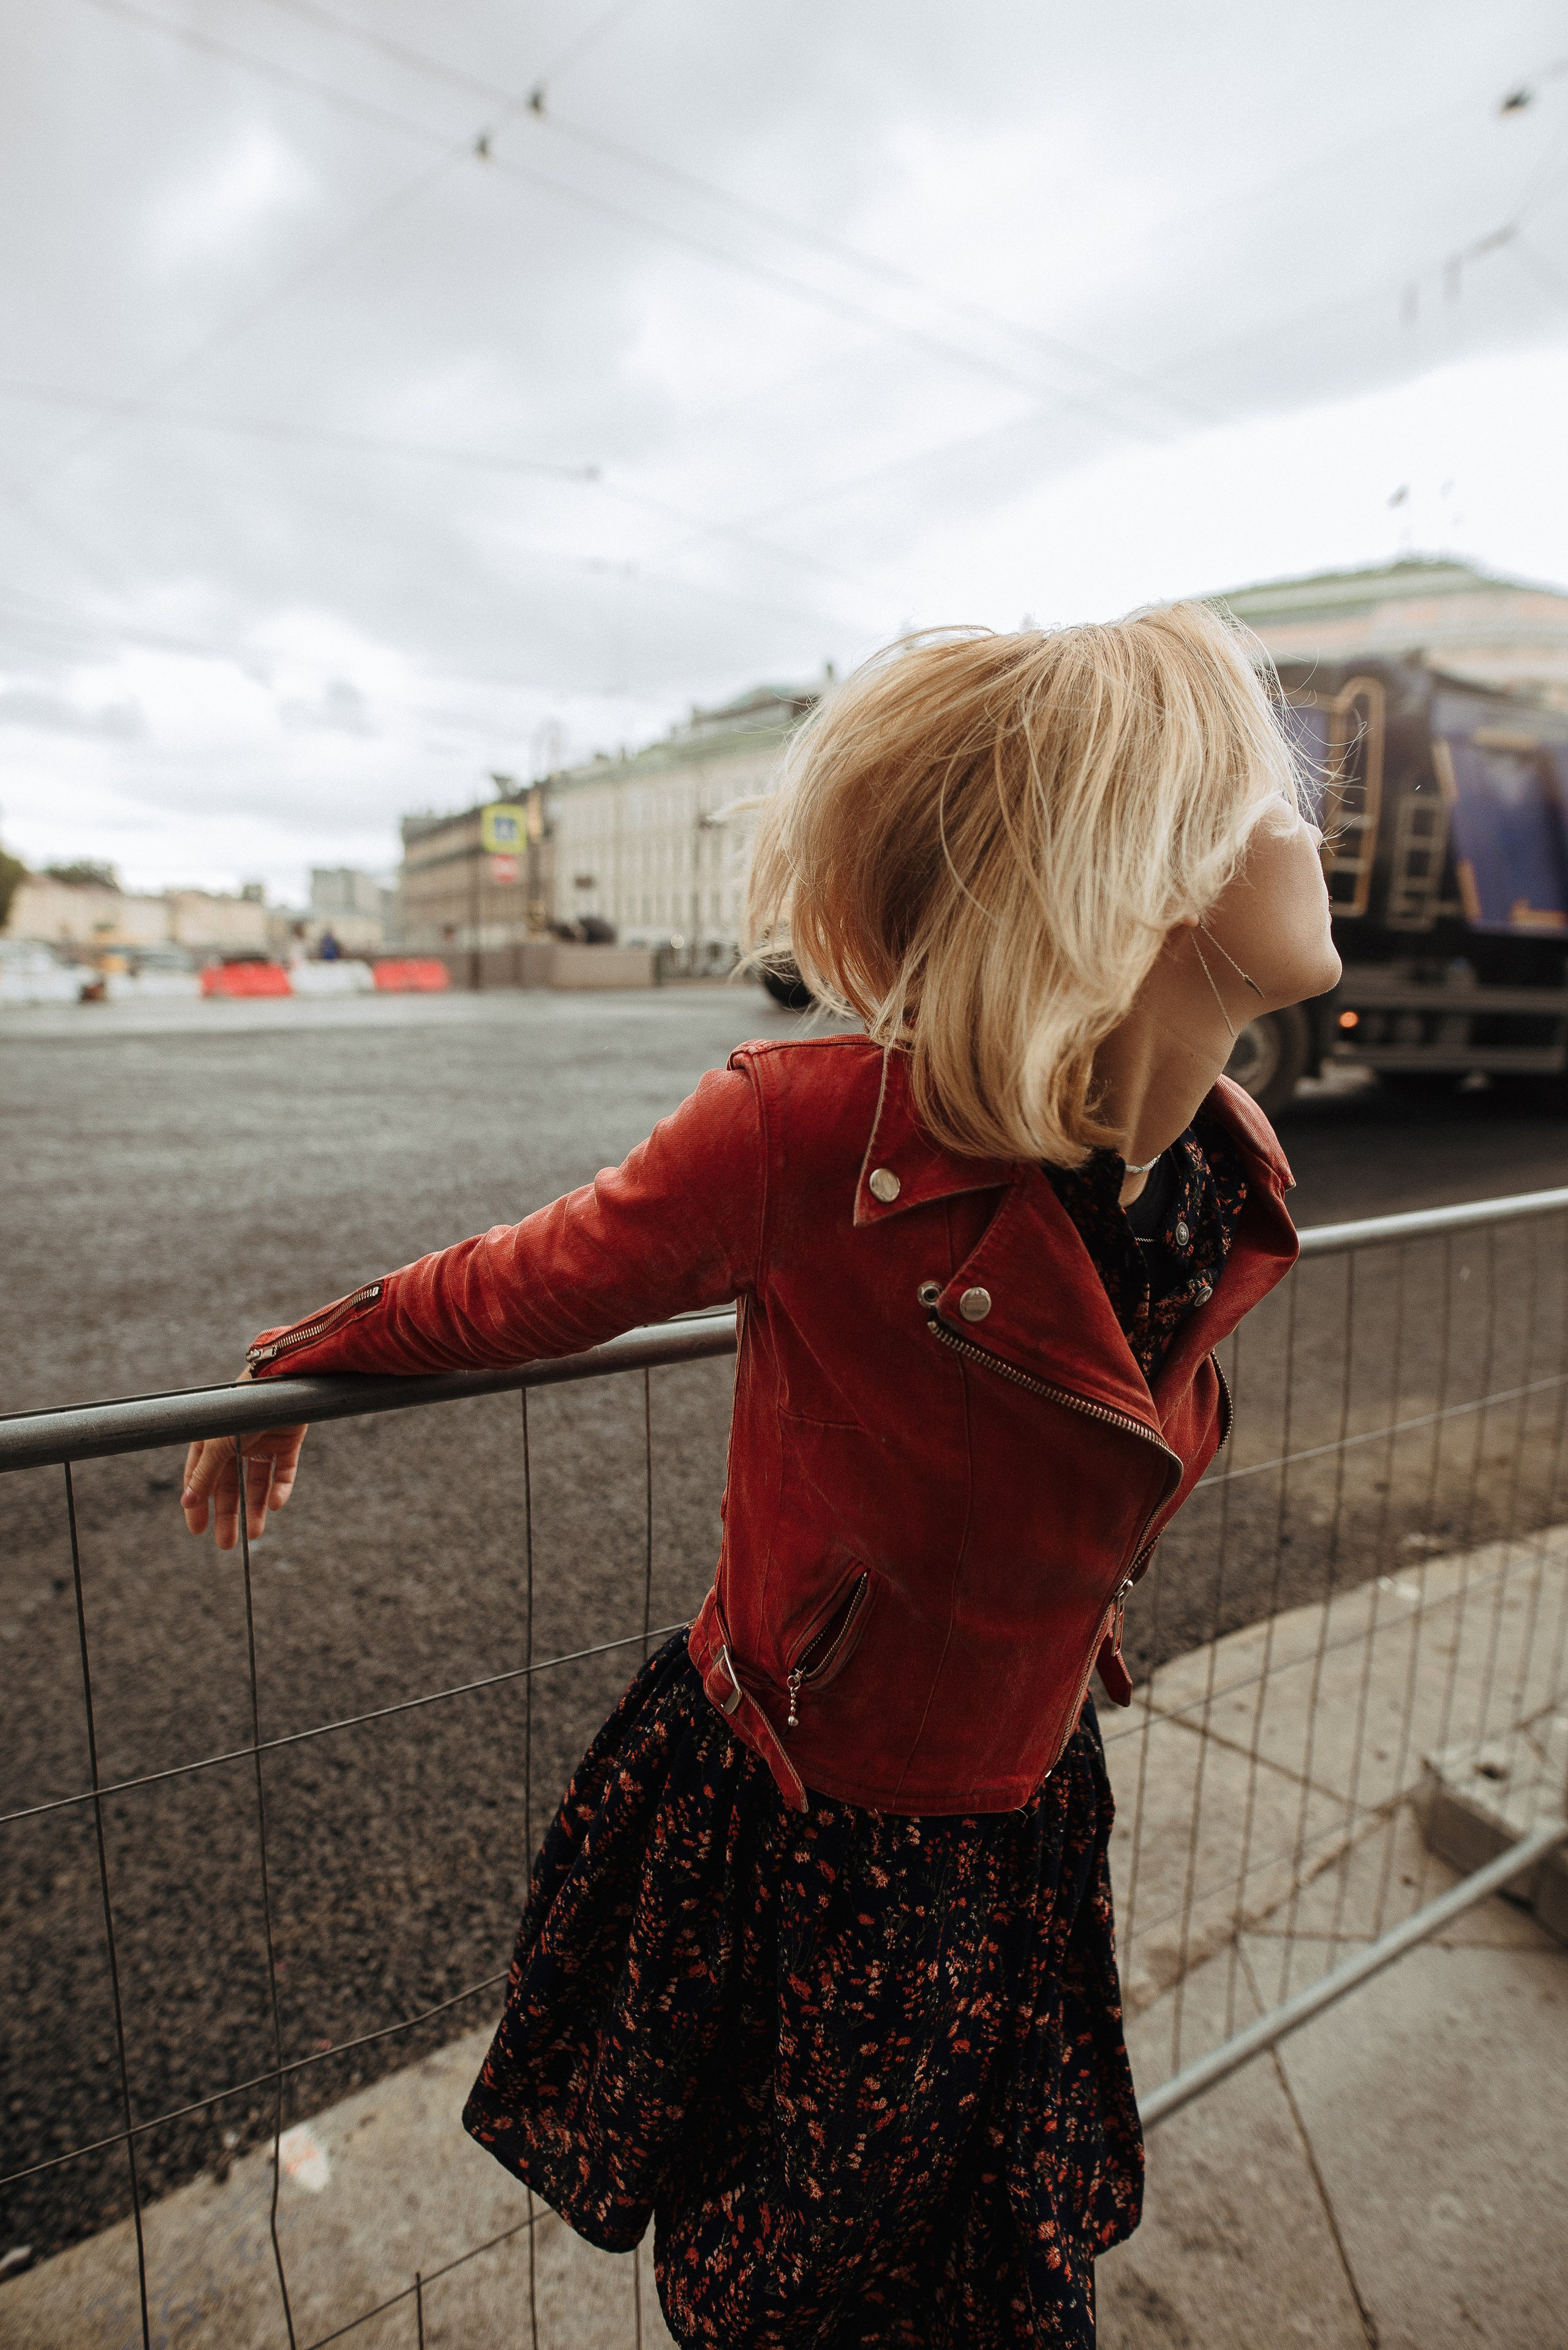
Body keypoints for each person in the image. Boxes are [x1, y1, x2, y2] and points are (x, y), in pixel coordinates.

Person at [179, 605, 1340, 2348]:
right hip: (835, 1844)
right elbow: (534, 1278)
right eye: (1265, 793)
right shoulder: (816, 1132)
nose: (1310, 824)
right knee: (798, 2294)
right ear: (1134, 875)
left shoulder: (1217, 1160)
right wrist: (299, 1361)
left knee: (1007, 2274)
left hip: (1025, 1813)